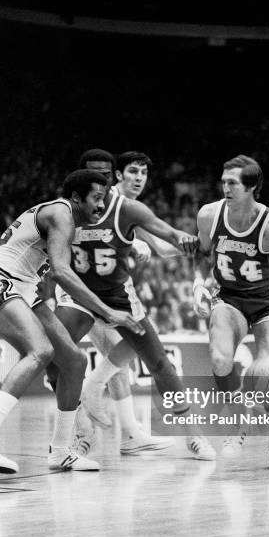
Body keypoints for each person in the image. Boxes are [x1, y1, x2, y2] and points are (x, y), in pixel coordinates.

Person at [50, 149, 216, 461]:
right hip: (79, 296)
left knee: (159, 364)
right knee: (53, 353)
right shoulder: (64, 210)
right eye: (92, 173)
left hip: (118, 297)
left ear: (112, 178)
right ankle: (76, 436)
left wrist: (187, 240)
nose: (99, 179)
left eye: (104, 174)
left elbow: (165, 232)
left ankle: (193, 435)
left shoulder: (126, 208)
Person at [0, 169, 143, 474]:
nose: (101, 206)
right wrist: (107, 310)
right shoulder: (62, 215)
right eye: (96, 198)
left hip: (22, 287)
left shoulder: (66, 217)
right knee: (41, 351)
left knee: (74, 361)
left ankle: (61, 451)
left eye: (105, 199)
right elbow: (61, 271)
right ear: (76, 198)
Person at [72, 150, 184, 455]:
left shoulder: (130, 207)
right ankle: (80, 435)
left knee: (125, 356)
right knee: (99, 364)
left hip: (113, 289)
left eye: (143, 174)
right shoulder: (91, 202)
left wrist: (194, 245)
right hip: (84, 291)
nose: (138, 179)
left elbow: (162, 246)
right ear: (119, 176)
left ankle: (129, 434)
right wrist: (132, 241)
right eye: (132, 172)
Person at [193, 155, 269, 469]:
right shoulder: (209, 215)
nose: (225, 187)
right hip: (228, 298)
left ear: (252, 187)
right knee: (219, 359)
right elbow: (201, 254)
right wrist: (198, 283)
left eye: (233, 183)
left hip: (265, 303)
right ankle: (239, 421)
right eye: (223, 181)